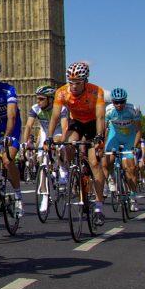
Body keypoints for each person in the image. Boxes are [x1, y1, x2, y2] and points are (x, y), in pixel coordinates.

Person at [47, 61, 107, 225]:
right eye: (71, 82)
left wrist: (100, 137)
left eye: (78, 83)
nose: (73, 86)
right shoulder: (62, 92)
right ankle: (70, 170)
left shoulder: (96, 92)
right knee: (68, 143)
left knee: (94, 163)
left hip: (93, 123)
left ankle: (99, 206)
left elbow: (101, 117)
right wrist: (49, 137)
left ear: (85, 81)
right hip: (77, 122)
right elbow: (55, 117)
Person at [0, 60, 23, 217]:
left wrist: (7, 136)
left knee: (7, 160)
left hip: (11, 128)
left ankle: (17, 194)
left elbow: (12, 116)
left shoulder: (8, 90)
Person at [103, 87, 142, 212]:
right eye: (116, 102)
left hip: (129, 139)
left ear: (126, 101)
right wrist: (102, 145)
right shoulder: (108, 110)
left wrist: (134, 147)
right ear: (112, 102)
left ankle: (133, 196)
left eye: (122, 102)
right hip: (114, 136)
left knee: (130, 169)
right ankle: (110, 181)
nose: (119, 105)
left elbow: (138, 131)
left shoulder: (133, 110)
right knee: (106, 162)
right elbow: (105, 130)